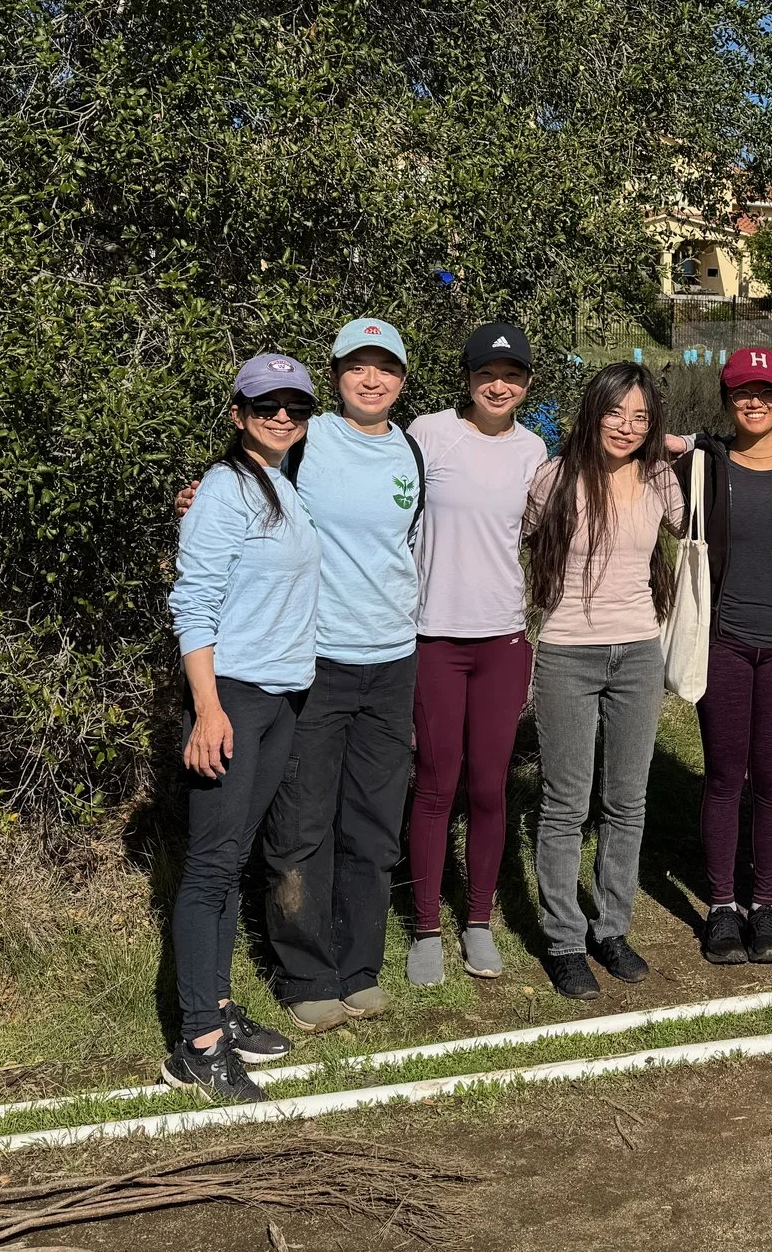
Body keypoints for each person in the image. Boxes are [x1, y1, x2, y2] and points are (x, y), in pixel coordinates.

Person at [260, 317, 426, 1031]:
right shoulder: (308, 437)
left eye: (383, 366)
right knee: (302, 821)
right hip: (316, 659)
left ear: (401, 379)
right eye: (355, 365)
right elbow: (245, 486)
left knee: (373, 824)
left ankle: (360, 966)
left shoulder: (410, 450)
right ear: (334, 377)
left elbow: (409, 544)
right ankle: (306, 971)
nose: (370, 378)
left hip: (392, 661)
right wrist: (196, 495)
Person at [163, 353, 321, 1104]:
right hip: (233, 697)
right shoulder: (225, 491)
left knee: (230, 863)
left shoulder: (281, 484)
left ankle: (219, 1009)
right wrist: (208, 706)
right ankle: (197, 1043)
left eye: (295, 405)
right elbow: (191, 603)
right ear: (237, 413)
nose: (282, 416)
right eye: (266, 405)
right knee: (209, 867)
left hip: (277, 698)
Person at [523, 361, 683, 1001]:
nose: (627, 426)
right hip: (567, 653)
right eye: (616, 412)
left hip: (639, 653)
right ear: (594, 411)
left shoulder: (659, 480)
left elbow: (699, 518)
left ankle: (611, 928)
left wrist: (690, 448)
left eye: (641, 417)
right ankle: (563, 938)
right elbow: (500, 531)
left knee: (627, 799)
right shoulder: (554, 478)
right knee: (565, 803)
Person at [403, 322, 548, 988]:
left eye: (513, 375)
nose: (499, 385)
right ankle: (426, 926)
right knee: (436, 782)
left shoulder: (532, 449)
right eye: (488, 373)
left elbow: (554, 528)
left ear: (525, 383)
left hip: (502, 639)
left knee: (490, 787)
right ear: (467, 377)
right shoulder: (428, 434)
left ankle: (479, 922)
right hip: (433, 634)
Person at [676, 346, 772, 967]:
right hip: (725, 644)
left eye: (766, 391)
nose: (755, 401)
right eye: (743, 391)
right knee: (722, 776)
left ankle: (763, 904)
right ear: (726, 398)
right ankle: (720, 906)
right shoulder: (705, 466)